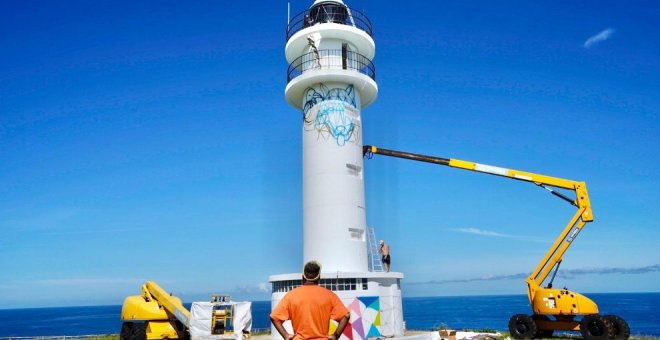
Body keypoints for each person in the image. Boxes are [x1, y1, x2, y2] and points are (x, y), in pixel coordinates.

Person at [270, 261, 350, 340]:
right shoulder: (329, 295)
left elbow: (274, 317)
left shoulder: (291, 295)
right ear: (318, 277)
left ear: (303, 276)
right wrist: (336, 336)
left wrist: (286, 335)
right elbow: (346, 316)